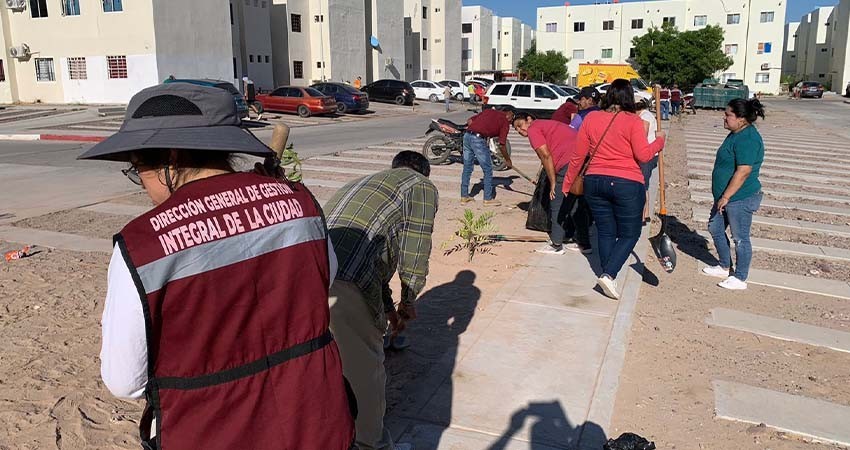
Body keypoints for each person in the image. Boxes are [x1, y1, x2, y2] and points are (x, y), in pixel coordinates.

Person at [86, 83, 355, 449]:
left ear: (171, 159)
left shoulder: (141, 244)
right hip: (315, 423)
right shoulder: (302, 204)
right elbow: (324, 278)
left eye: (139, 169)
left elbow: (124, 381)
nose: (142, 185)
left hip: (210, 432)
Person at [325, 151, 438, 450]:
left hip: (311, 270)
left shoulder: (367, 183)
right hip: (345, 279)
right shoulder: (421, 186)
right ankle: (371, 444)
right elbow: (416, 248)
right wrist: (410, 299)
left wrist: (389, 311)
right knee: (365, 369)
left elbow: (374, 262)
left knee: (325, 361)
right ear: (423, 172)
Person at [564, 79, 666, 299]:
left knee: (606, 230)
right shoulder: (633, 122)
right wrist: (659, 142)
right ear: (630, 98)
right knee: (630, 233)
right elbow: (644, 155)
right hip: (626, 183)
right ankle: (609, 275)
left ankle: (607, 275)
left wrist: (567, 183)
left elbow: (578, 155)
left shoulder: (591, 118)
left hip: (595, 181)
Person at [702, 98, 765, 291]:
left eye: (728, 114)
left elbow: (743, 171)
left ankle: (740, 277)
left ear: (742, 118)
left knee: (740, 237)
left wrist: (727, 196)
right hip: (725, 196)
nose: (724, 117)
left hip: (740, 197)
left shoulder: (748, 138)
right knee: (715, 228)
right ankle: (724, 265)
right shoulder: (735, 134)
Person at [512, 112, 578, 254]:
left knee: (556, 201)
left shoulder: (533, 129)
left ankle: (556, 244)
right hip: (579, 159)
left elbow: (545, 155)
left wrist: (553, 182)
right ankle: (582, 240)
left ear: (529, 119)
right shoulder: (545, 124)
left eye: (519, 125)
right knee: (575, 200)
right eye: (516, 129)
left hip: (566, 163)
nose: (519, 130)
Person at [461, 106, 515, 206]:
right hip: (478, 139)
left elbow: (469, 121)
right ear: (508, 113)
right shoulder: (504, 121)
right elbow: (502, 144)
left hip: (467, 136)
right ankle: (487, 198)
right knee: (488, 169)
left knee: (467, 167)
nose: (512, 119)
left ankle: (464, 196)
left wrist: (484, 129)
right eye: (512, 116)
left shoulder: (489, 111)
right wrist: (508, 160)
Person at [635, 99, 659, 224]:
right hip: (651, 154)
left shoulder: (644, 117)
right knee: (645, 185)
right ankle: (646, 213)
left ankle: (642, 216)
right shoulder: (648, 115)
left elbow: (641, 137)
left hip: (647, 155)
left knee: (642, 184)